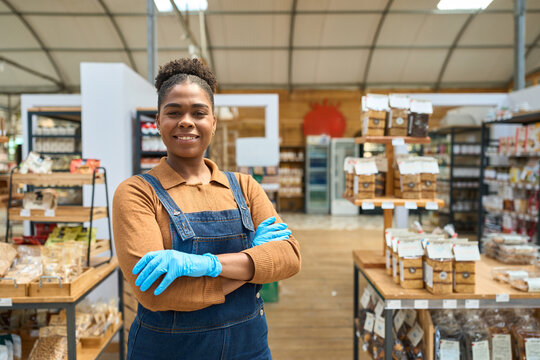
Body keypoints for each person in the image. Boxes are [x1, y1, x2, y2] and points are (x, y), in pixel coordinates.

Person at [113, 58, 301, 360]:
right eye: (173, 112)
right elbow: (156, 293)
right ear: (158, 121)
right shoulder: (137, 193)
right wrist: (253, 263)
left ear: (213, 123)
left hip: (249, 348)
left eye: (199, 113)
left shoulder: (245, 186)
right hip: (167, 351)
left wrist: (205, 266)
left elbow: (289, 257)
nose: (186, 121)